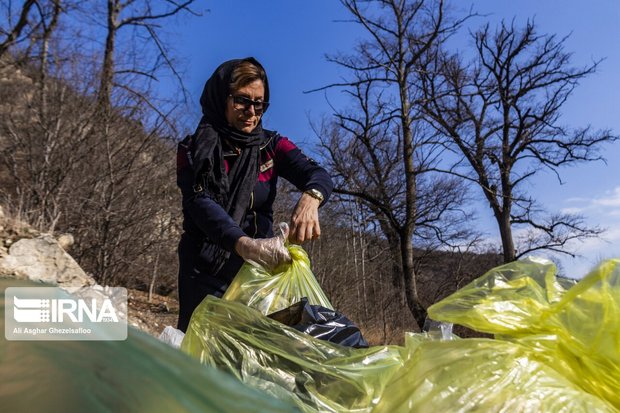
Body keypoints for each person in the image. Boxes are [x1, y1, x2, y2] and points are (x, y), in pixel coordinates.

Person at [176, 57, 333, 332]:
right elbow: (199, 203)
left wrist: (311, 198)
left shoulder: (271, 146)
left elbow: (317, 174)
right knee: (197, 352)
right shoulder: (193, 150)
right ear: (221, 98)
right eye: (242, 101)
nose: (251, 112)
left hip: (256, 272)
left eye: (258, 103)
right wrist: (245, 244)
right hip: (205, 269)